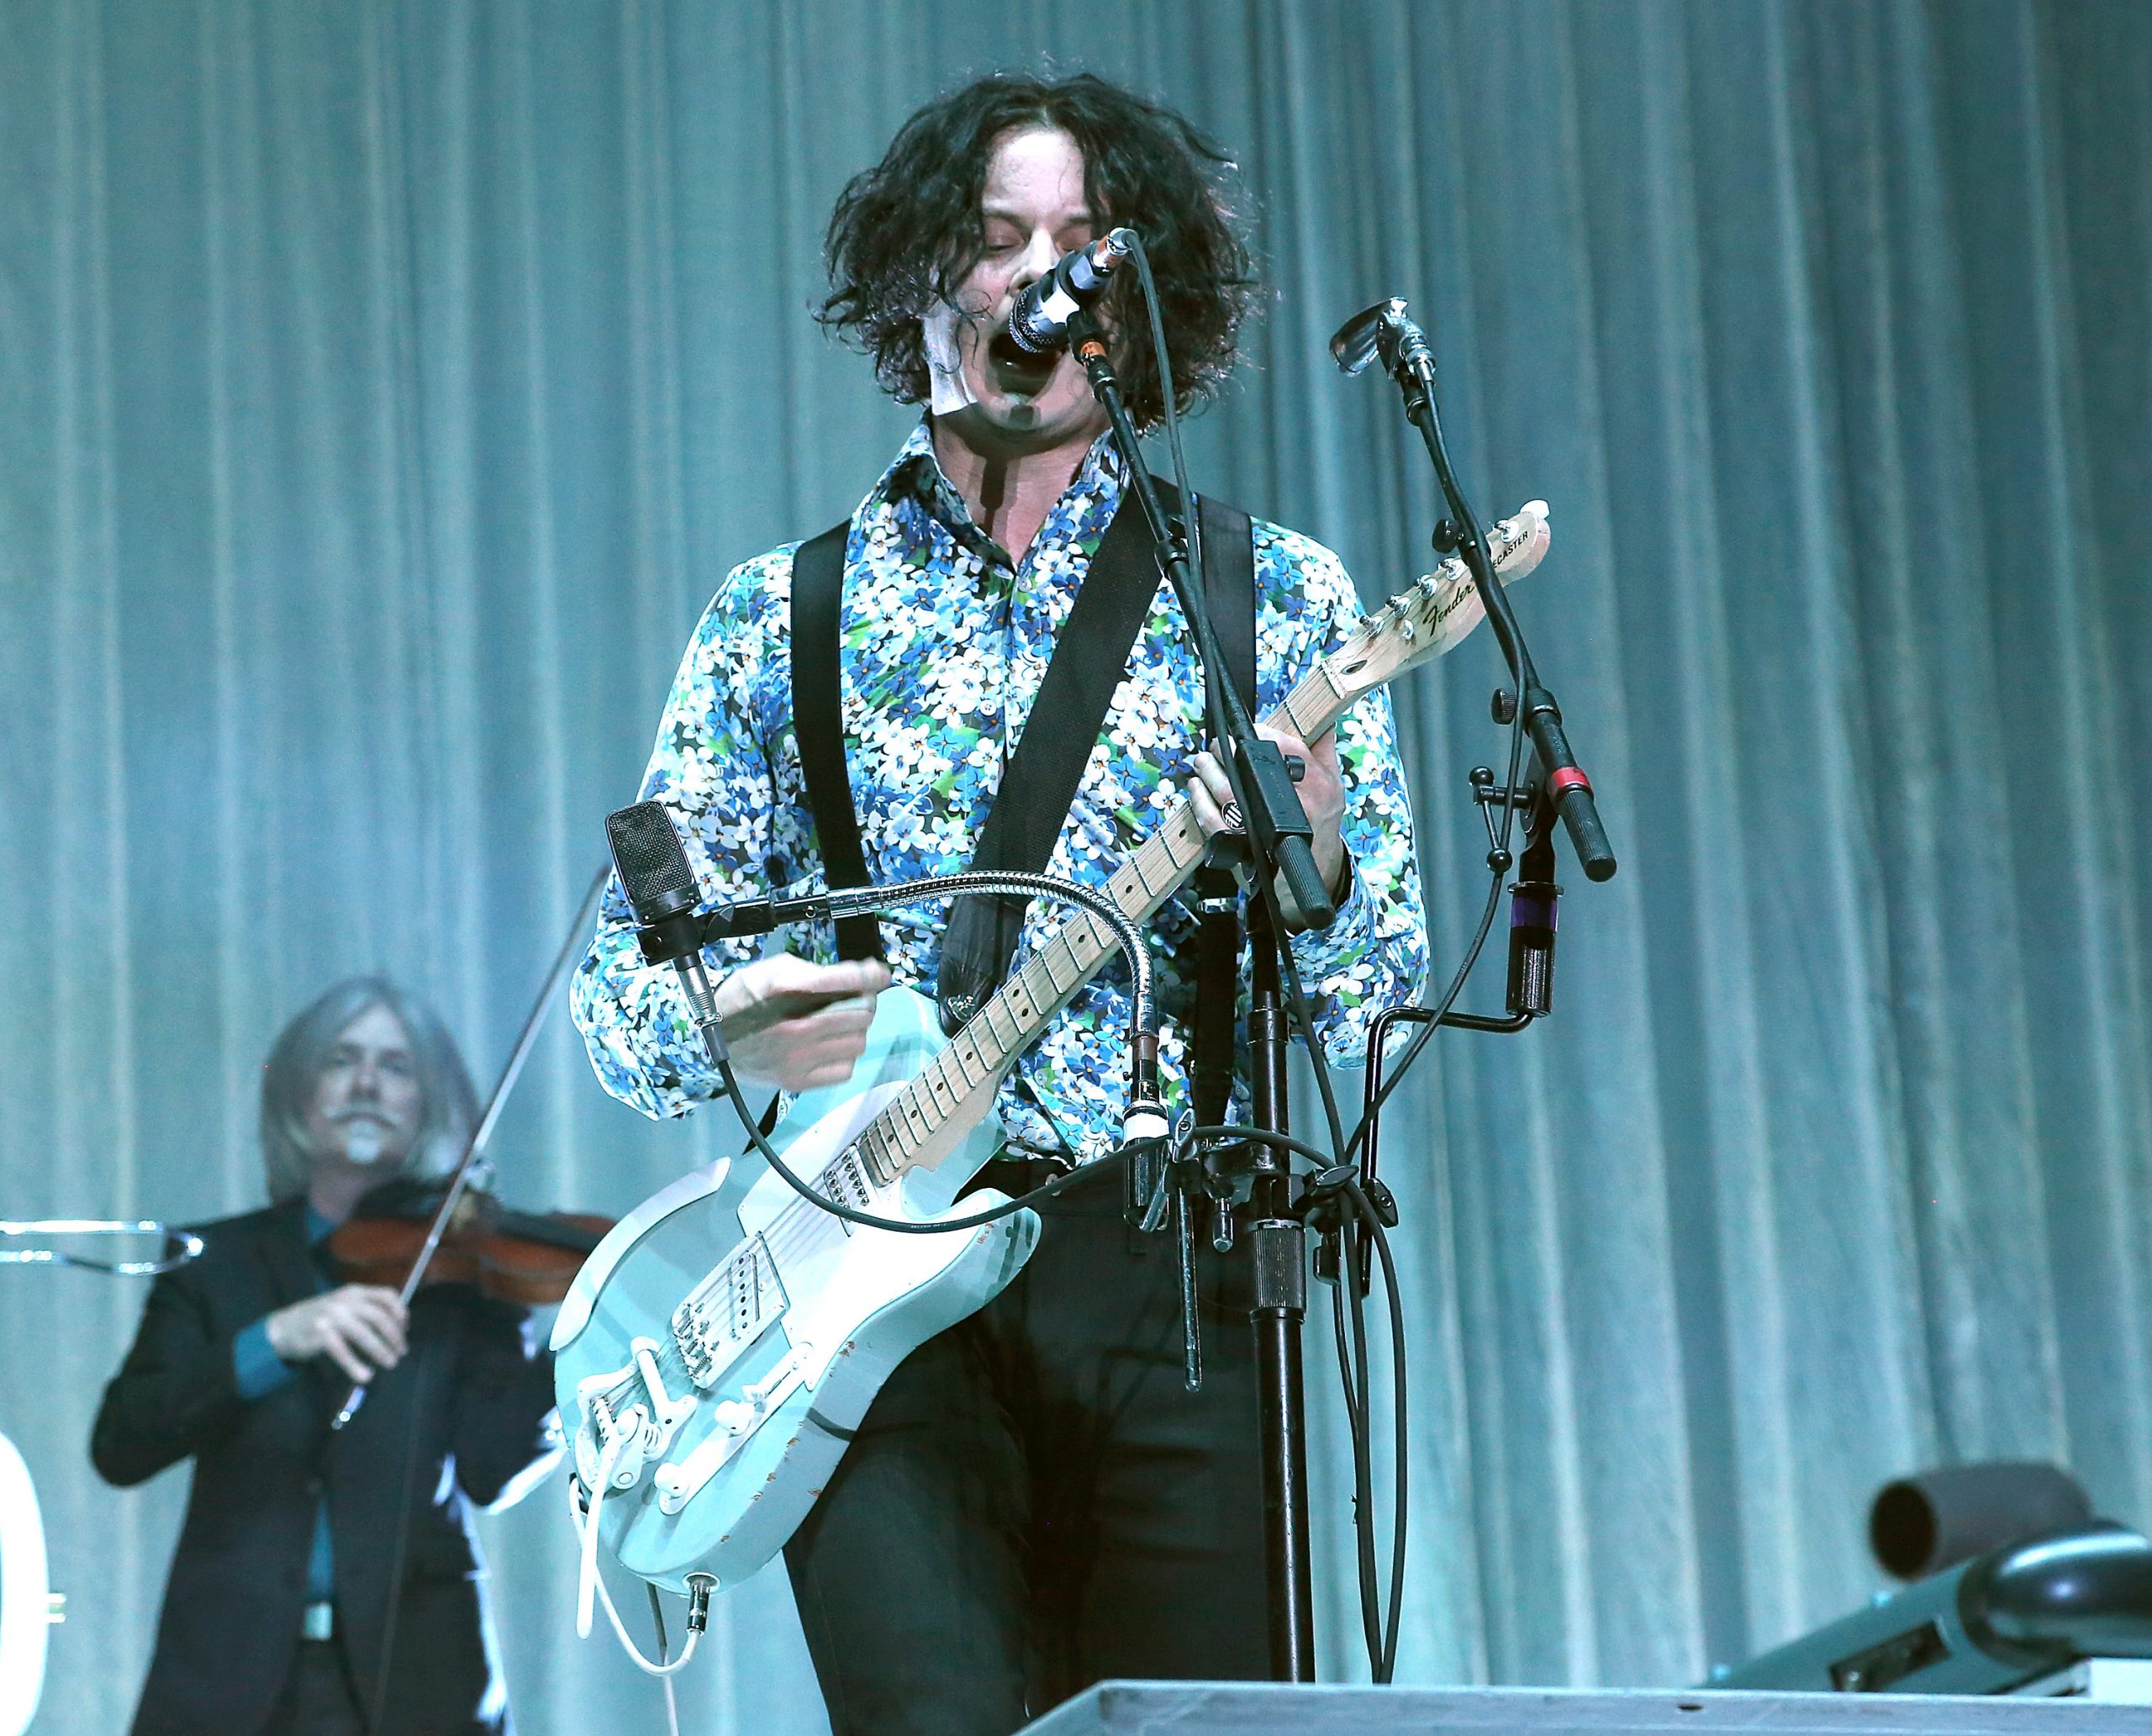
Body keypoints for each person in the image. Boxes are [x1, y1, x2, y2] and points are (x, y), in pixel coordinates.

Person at [572, 71, 1429, 1735]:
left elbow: (1375, 990)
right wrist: (725, 1016)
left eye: (1080, 247)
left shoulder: (1269, 598)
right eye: (994, 239)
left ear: (1138, 299)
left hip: (1176, 1270)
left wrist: (1314, 868)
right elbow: (624, 999)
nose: (1036, 278)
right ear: (922, 278)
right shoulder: (776, 616)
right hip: (874, 1293)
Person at [93, 979, 560, 1736]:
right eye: (342, 1060)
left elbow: (494, 1471)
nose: (368, 1084)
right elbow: (121, 1442)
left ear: (427, 1105)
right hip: (226, 1684)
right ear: (300, 1094)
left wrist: (577, 1350)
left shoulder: (470, 1272)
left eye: (396, 1066)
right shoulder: (214, 1261)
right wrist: (273, 1339)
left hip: (422, 1686)